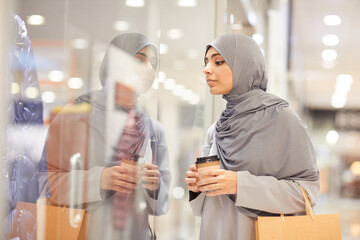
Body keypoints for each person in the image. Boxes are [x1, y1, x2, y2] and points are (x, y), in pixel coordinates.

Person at [185, 33, 320, 240]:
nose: (206, 69)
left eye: (218, 61)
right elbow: (205, 208)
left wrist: (239, 184)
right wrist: (198, 188)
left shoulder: (282, 119)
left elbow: (306, 193)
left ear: (245, 66)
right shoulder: (216, 129)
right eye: (206, 62)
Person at [38, 33, 171, 240]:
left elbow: (161, 205)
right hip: (86, 232)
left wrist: (154, 187)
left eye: (154, 63)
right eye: (139, 59)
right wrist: (100, 179)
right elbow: (44, 182)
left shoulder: (153, 129)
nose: (149, 69)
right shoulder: (76, 116)